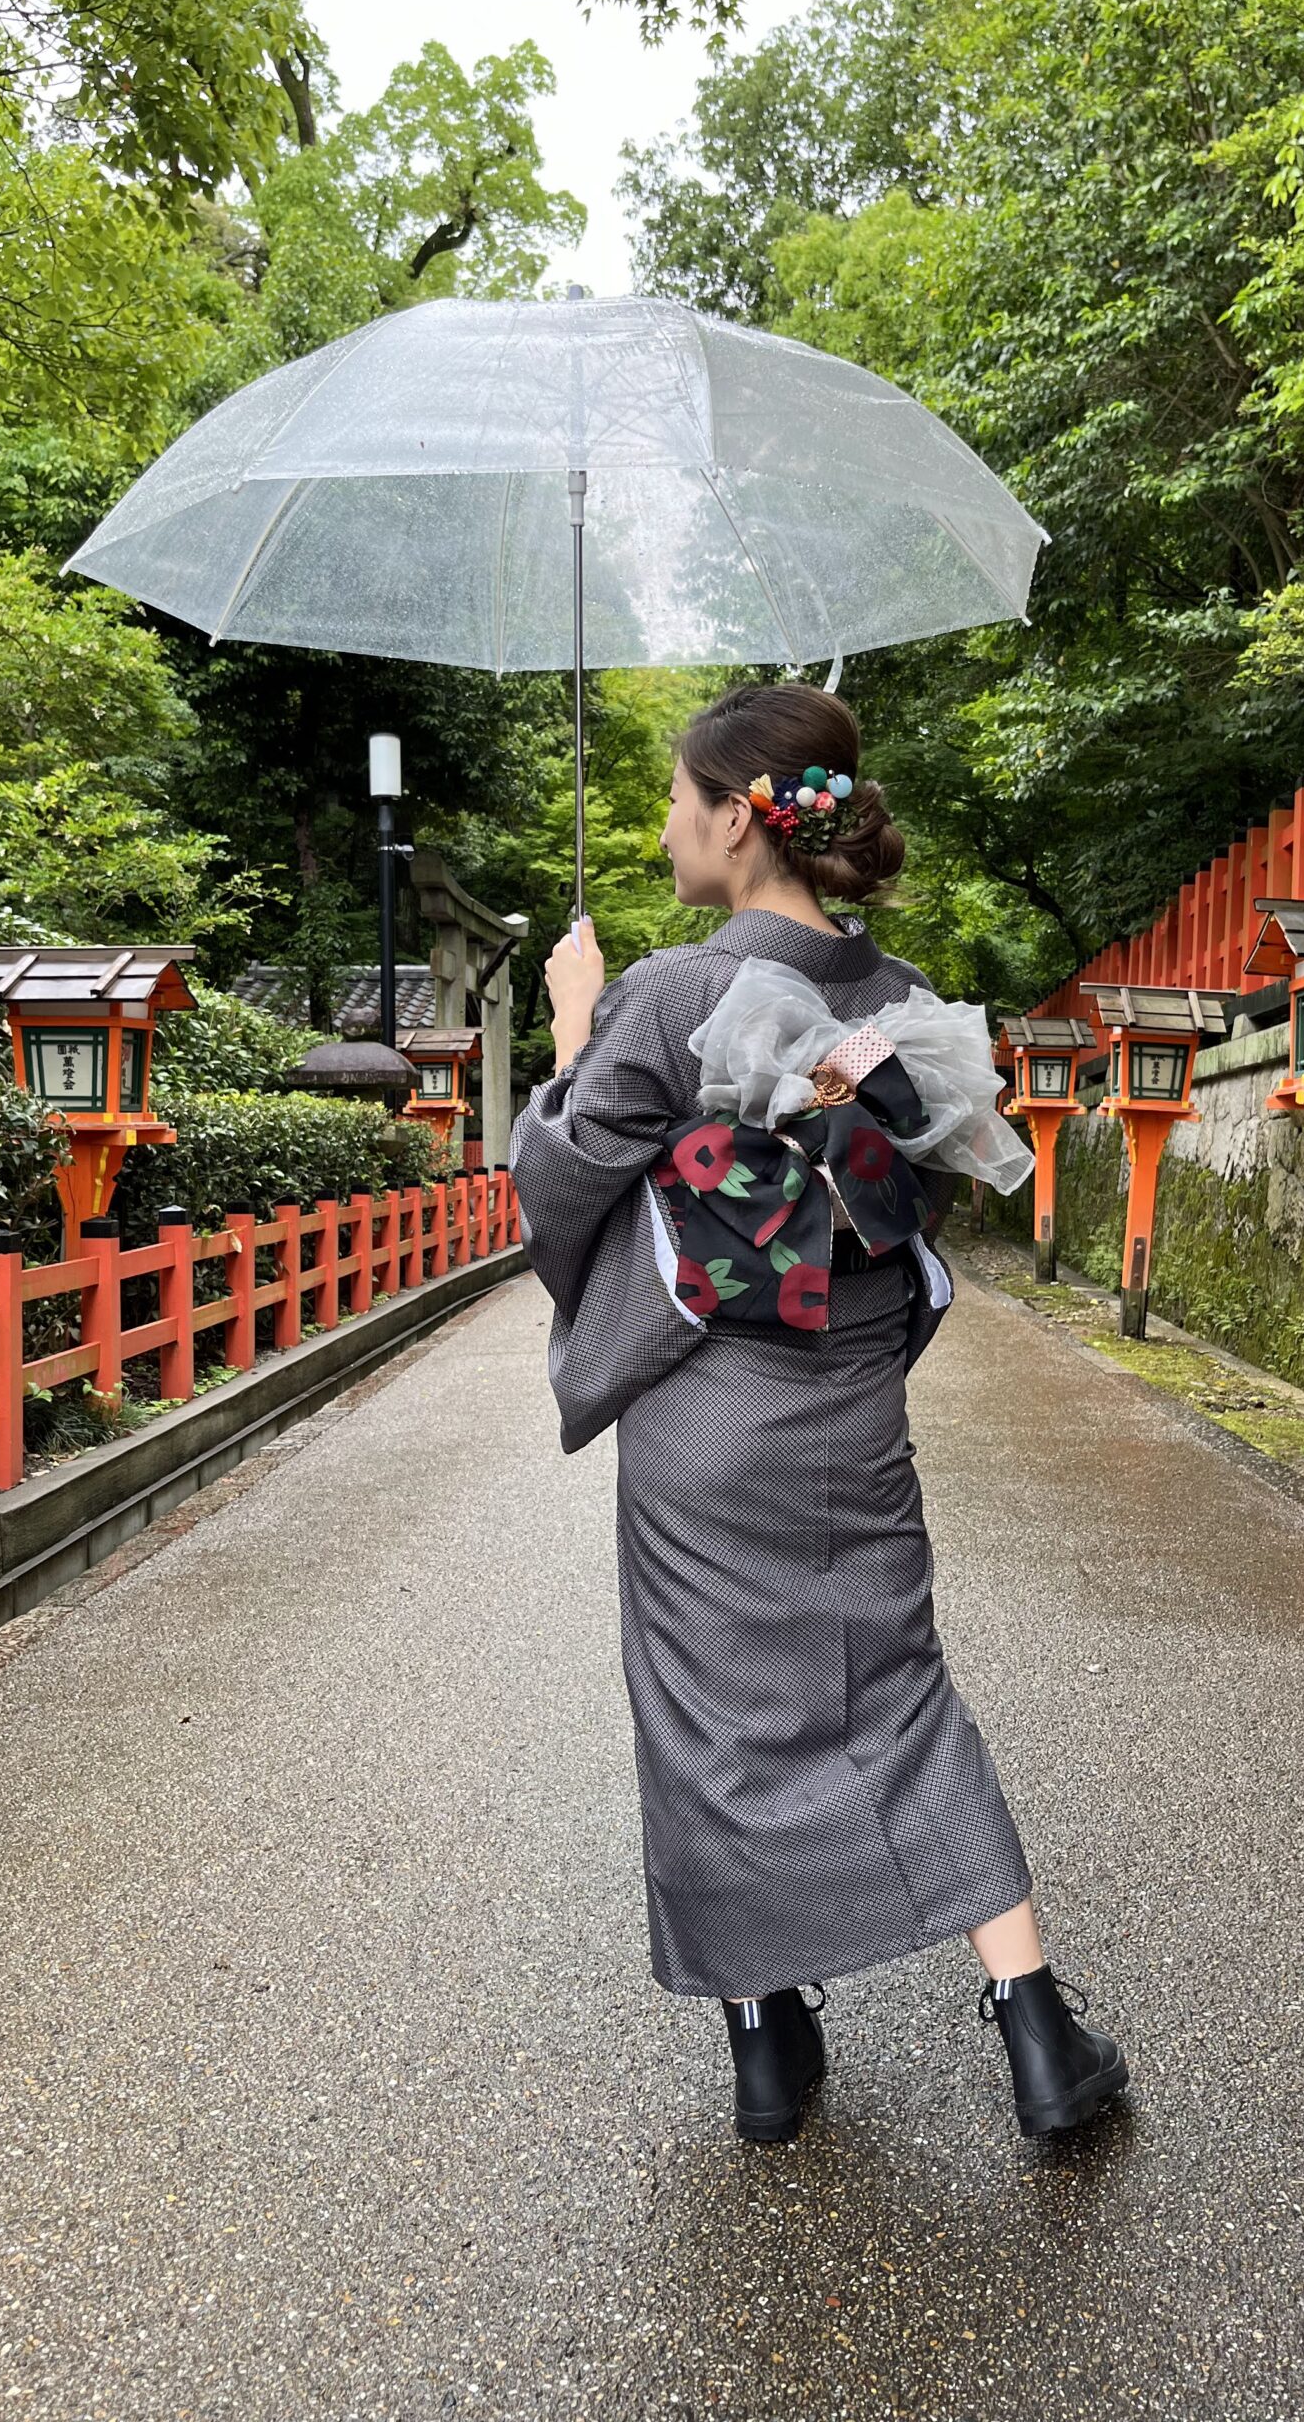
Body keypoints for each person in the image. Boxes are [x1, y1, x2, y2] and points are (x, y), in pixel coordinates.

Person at [509, 681, 1129, 2144]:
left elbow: (560, 1186)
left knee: (708, 1721)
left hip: (701, 1420)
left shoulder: (666, 994)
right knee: (899, 1690)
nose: (666, 828)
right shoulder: (894, 999)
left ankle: (768, 2045)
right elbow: (923, 1191)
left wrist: (572, 1027)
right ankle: (1036, 2031)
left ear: (737, 817)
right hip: (851, 1416)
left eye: (677, 800)